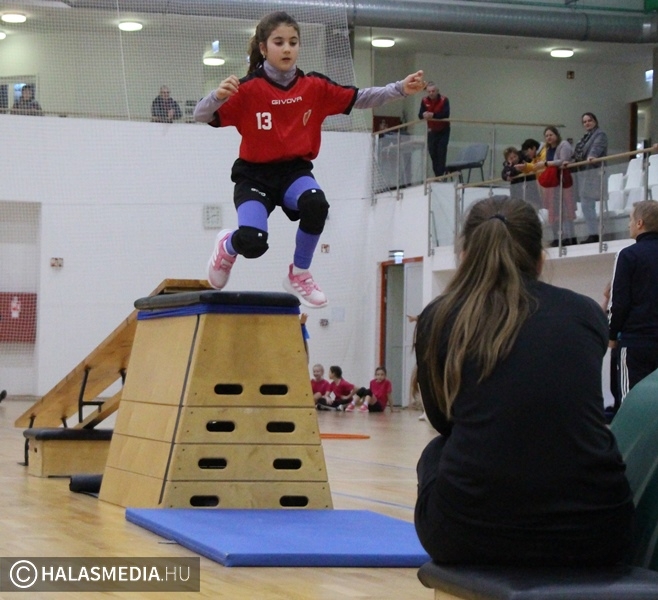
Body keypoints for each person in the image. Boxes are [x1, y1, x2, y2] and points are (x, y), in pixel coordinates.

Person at [414, 196, 633, 567]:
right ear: (540, 258)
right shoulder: (585, 313)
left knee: (438, 450)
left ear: (465, 256)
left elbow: (442, 420)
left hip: (467, 534)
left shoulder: (441, 316)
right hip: (599, 532)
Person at [194, 11, 426, 308]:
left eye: (293, 42)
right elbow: (201, 115)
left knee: (316, 204)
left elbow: (360, 97)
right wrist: (216, 96)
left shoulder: (314, 87)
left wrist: (400, 89)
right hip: (254, 175)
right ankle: (227, 246)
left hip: (294, 172)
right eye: (279, 42)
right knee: (253, 242)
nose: (287, 49)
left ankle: (299, 273)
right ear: (263, 48)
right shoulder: (247, 89)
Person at [608, 200, 658, 402]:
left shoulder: (628, 255)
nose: (628, 224)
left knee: (630, 404)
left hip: (636, 342)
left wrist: (612, 335)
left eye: (630, 219)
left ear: (640, 223)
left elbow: (619, 302)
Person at [536, 125, 577, 247]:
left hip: (563, 182)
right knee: (554, 211)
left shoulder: (563, 145)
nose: (548, 137)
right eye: (546, 136)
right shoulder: (548, 149)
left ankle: (570, 237)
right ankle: (558, 237)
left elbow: (564, 160)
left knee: (566, 210)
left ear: (556, 135)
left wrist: (546, 163)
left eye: (551, 135)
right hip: (554, 184)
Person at [573, 112, 608, 244]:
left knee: (588, 205)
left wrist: (592, 156)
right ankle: (592, 233)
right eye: (585, 122)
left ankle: (594, 234)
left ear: (595, 121)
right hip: (583, 176)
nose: (587, 123)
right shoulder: (584, 138)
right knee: (586, 206)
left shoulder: (600, 134)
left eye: (589, 120)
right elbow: (577, 155)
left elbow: (596, 149)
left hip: (594, 174)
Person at [418, 82, 450, 178]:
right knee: (432, 152)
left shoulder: (444, 100)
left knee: (441, 152)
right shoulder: (424, 100)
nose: (431, 93)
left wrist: (433, 115)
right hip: (432, 131)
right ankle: (437, 175)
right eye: (429, 91)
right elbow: (420, 115)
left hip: (443, 130)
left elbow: (446, 114)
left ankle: (440, 176)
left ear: (437, 91)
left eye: (433, 91)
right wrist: (423, 115)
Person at [512, 138, 541, 209]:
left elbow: (537, 167)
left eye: (527, 151)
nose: (527, 154)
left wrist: (525, 166)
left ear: (533, 148)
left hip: (538, 183)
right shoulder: (533, 157)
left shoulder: (541, 155)